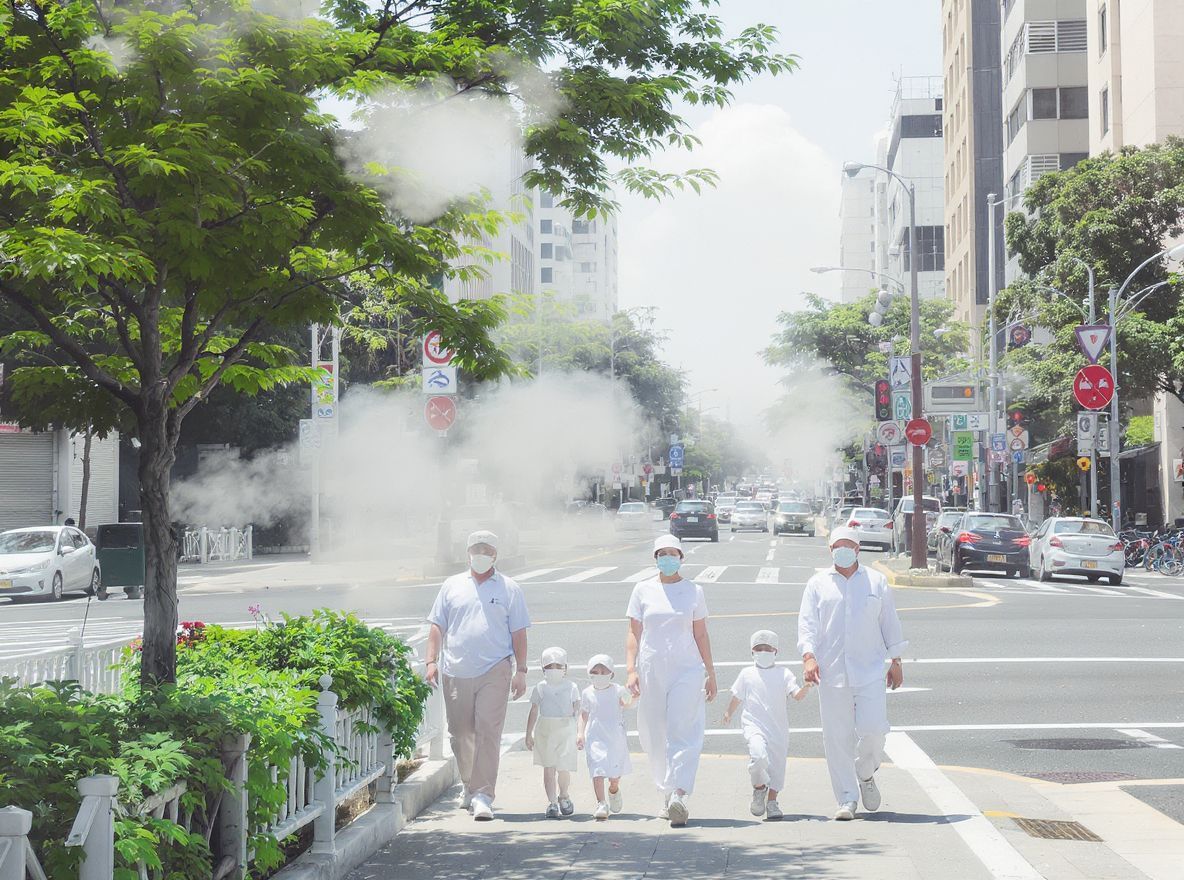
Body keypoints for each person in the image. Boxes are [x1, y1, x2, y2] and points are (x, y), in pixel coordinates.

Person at [798, 526, 907, 821]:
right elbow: (807, 624)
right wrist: (808, 657)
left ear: (858, 550)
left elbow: (889, 622)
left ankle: (866, 772)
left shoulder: (876, 581)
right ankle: (847, 798)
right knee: (837, 738)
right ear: (830, 550)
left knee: (874, 730)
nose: (842, 551)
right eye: (837, 547)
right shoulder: (818, 584)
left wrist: (896, 660)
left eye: (848, 546)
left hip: (870, 670)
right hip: (831, 673)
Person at [425, 530, 530, 821]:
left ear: (495, 555)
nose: (481, 554)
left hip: (495, 669)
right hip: (456, 670)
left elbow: (519, 633)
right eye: (476, 549)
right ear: (468, 553)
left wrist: (521, 670)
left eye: (486, 550)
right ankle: (469, 783)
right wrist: (431, 661)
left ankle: (483, 794)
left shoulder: (509, 588)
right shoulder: (451, 585)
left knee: (488, 730)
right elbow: (437, 625)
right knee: (460, 733)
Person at [626, 533, 717, 827]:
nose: (667, 558)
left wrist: (710, 672)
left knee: (684, 729)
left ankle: (679, 793)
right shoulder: (642, 590)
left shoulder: (694, 591)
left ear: (681, 557)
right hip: (652, 668)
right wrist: (631, 669)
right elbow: (634, 633)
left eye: (672, 553)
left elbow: (700, 634)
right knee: (654, 732)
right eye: (662, 554)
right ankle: (665, 792)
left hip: (687, 669)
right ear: (655, 559)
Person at [722, 629, 812, 821]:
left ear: (775, 651)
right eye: (759, 648)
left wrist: (807, 686)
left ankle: (772, 802)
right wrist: (729, 712)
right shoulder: (746, 673)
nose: (763, 652)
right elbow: (737, 696)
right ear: (752, 652)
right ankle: (759, 787)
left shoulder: (784, 674)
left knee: (777, 766)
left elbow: (796, 696)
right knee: (758, 756)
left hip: (778, 728)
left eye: (767, 648)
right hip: (753, 725)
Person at [525, 646, 580, 819]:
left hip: (566, 728)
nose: (554, 670)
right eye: (549, 666)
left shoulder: (571, 687)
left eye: (558, 666)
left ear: (565, 668)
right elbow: (534, 709)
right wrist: (528, 733)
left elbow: (577, 709)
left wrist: (580, 732)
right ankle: (552, 802)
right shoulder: (540, 687)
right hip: (545, 730)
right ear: (543, 669)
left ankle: (564, 795)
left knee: (564, 767)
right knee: (548, 767)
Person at [577, 653, 632, 821]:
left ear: (611, 674)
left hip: (615, 736)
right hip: (595, 736)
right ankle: (601, 803)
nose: (600, 675)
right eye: (595, 672)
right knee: (597, 769)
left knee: (614, 774)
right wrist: (580, 733)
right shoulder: (587, 693)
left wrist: (630, 697)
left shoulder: (617, 690)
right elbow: (583, 714)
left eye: (604, 672)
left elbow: (629, 702)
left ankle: (614, 789)